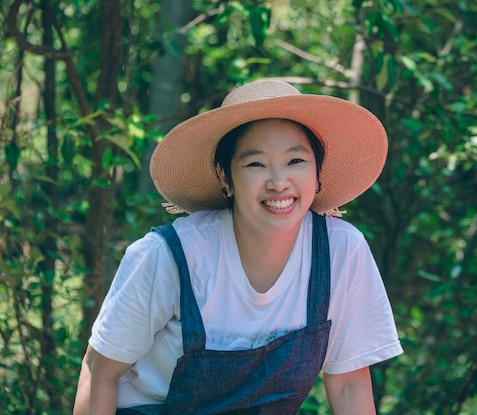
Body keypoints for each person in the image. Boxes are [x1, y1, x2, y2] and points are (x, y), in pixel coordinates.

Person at [73, 79, 402, 415]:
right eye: (255, 164)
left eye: (296, 161)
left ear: (318, 172)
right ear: (225, 176)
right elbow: (98, 372)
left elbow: (348, 385)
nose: (278, 182)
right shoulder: (171, 255)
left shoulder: (340, 251)